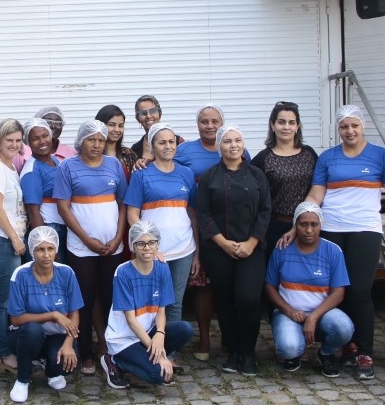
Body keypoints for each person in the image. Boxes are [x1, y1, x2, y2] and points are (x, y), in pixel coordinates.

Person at [294, 105, 385, 381]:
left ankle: (364, 351)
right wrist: (299, 220)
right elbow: (317, 193)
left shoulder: (380, 155)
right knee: (334, 290)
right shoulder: (328, 158)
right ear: (338, 129)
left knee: (359, 291)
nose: (350, 131)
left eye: (354, 125)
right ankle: (343, 346)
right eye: (344, 126)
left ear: (363, 126)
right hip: (332, 228)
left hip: (365, 229)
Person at [193, 125, 271, 376]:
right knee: (225, 302)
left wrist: (251, 242)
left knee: (248, 300)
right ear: (219, 146)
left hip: (252, 248)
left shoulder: (257, 175)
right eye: (227, 141)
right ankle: (233, 352)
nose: (233, 145)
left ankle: (248, 353)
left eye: (238, 140)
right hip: (218, 249)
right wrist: (223, 242)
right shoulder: (209, 177)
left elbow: (264, 211)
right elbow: (203, 213)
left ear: (244, 144)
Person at [54, 120, 127, 376]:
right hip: (82, 248)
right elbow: (63, 207)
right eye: (91, 139)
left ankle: (111, 349)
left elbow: (122, 203)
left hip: (112, 246)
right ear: (81, 141)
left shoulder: (114, 165)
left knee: (110, 298)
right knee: (83, 301)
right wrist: (87, 240)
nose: (97, 145)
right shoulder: (67, 167)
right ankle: (85, 352)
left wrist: (119, 237)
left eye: (101, 140)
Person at [101, 221, 195, 388]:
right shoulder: (123, 272)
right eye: (141, 243)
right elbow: (130, 320)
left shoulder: (162, 268)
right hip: (125, 338)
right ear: (133, 246)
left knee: (185, 330)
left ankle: (145, 356)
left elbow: (161, 311)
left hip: (149, 331)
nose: (147, 248)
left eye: (151, 242)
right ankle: (114, 360)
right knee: (159, 376)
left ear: (157, 244)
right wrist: (160, 356)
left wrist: (159, 334)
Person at [266, 202, 353, 377]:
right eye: (303, 224)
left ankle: (326, 353)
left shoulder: (333, 251)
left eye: (314, 224)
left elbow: (338, 292)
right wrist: (290, 312)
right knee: (289, 348)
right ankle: (295, 351)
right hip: (288, 313)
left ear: (321, 225)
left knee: (344, 328)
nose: (309, 230)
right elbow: (270, 286)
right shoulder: (282, 248)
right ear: (295, 225)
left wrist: (313, 317)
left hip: (321, 313)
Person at [124, 123, 199, 327]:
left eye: (171, 141)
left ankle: (169, 350)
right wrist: (149, 244)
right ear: (152, 146)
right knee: (151, 300)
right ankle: (149, 347)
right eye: (162, 142)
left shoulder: (186, 174)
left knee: (175, 301)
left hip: (183, 248)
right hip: (152, 251)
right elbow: (132, 214)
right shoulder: (141, 174)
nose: (168, 146)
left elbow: (192, 213)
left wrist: (197, 252)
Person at [6, 226, 82, 402]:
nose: (46, 255)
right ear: (32, 251)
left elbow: (74, 314)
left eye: (50, 249)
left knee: (67, 364)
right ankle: (23, 379)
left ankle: (51, 371)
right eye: (40, 249)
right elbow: (16, 319)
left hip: (57, 335)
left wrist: (69, 343)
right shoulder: (21, 274)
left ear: (56, 250)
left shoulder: (66, 273)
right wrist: (53, 315)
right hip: (25, 335)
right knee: (33, 330)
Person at [0, 118, 27, 372]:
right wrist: (14, 237)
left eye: (18, 140)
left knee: (8, 298)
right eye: (8, 140)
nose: (13, 144)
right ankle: (2, 353)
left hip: (12, 240)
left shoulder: (11, 167)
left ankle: (7, 348)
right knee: (1, 300)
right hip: (3, 241)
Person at [251, 101, 318, 256]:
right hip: (274, 227)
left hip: (308, 226)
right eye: (281, 122)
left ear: (297, 127)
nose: (286, 127)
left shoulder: (310, 155)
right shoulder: (263, 159)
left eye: (291, 122)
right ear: (272, 125)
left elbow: (319, 187)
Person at [19, 118, 65, 261]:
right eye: (35, 139)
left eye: (45, 136)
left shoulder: (55, 161)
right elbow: (33, 211)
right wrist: (45, 242)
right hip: (49, 228)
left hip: (61, 227)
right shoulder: (32, 170)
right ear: (28, 142)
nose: (42, 141)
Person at [175, 104, 249, 178]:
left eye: (214, 122)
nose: (210, 126)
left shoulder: (237, 151)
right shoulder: (183, 150)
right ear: (197, 124)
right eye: (204, 122)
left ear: (222, 124)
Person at [13, 106, 76, 172]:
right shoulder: (22, 152)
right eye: (48, 122)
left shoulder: (71, 153)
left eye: (58, 123)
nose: (53, 126)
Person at [128, 95, 184, 168]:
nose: (148, 116)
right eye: (143, 113)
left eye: (153, 111)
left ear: (159, 114)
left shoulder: (178, 142)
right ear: (138, 118)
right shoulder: (135, 149)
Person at [95, 105, 138, 177]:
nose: (117, 130)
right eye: (112, 125)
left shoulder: (129, 155)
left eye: (121, 126)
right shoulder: (92, 153)